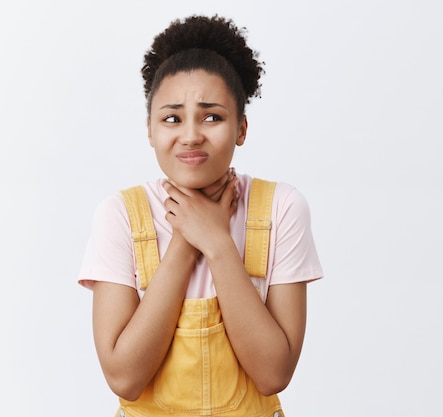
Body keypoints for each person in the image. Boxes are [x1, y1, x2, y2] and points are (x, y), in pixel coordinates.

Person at [78, 14, 323, 417]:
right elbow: (124, 378)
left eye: (212, 116)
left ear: (241, 127)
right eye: (171, 118)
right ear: (150, 130)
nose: (191, 134)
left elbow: (273, 373)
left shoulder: (281, 208)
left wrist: (218, 243)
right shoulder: (120, 215)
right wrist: (185, 242)